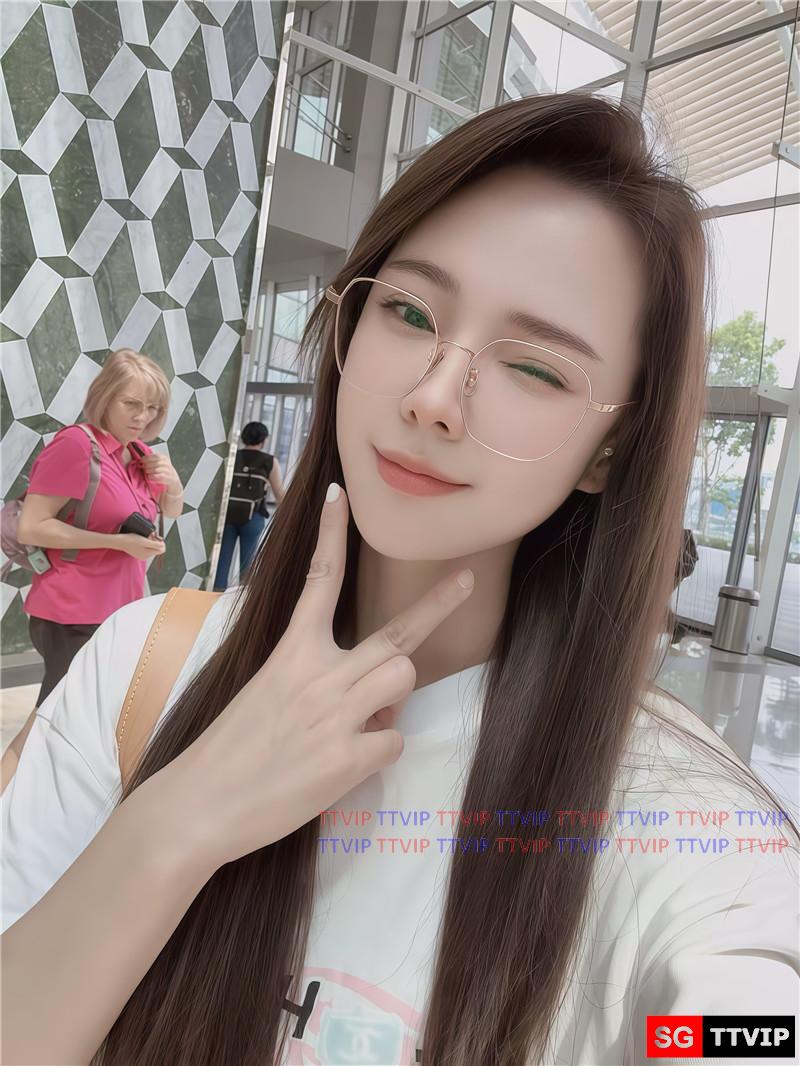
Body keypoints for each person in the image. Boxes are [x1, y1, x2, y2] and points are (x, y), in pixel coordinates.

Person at [2, 95, 797, 1066]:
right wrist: (177, 823)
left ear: (610, 447)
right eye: (409, 313)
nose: (433, 398)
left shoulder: (678, 818)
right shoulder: (149, 666)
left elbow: (742, 1026)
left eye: (537, 369)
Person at [1, 349, 183, 784]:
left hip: (115, 611)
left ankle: (42, 798)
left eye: (152, 407)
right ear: (105, 396)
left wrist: (173, 484)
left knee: (73, 721)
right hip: (70, 610)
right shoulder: (76, 446)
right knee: (51, 719)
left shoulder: (138, 454)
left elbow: (169, 511)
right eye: (131, 403)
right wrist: (117, 543)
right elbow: (32, 526)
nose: (142, 416)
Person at [213, 421, 285, 591]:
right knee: (248, 564)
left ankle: (215, 597)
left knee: (222, 562)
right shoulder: (269, 461)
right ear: (263, 440)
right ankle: (242, 598)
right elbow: (279, 493)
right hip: (253, 518)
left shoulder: (232, 456)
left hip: (228, 515)